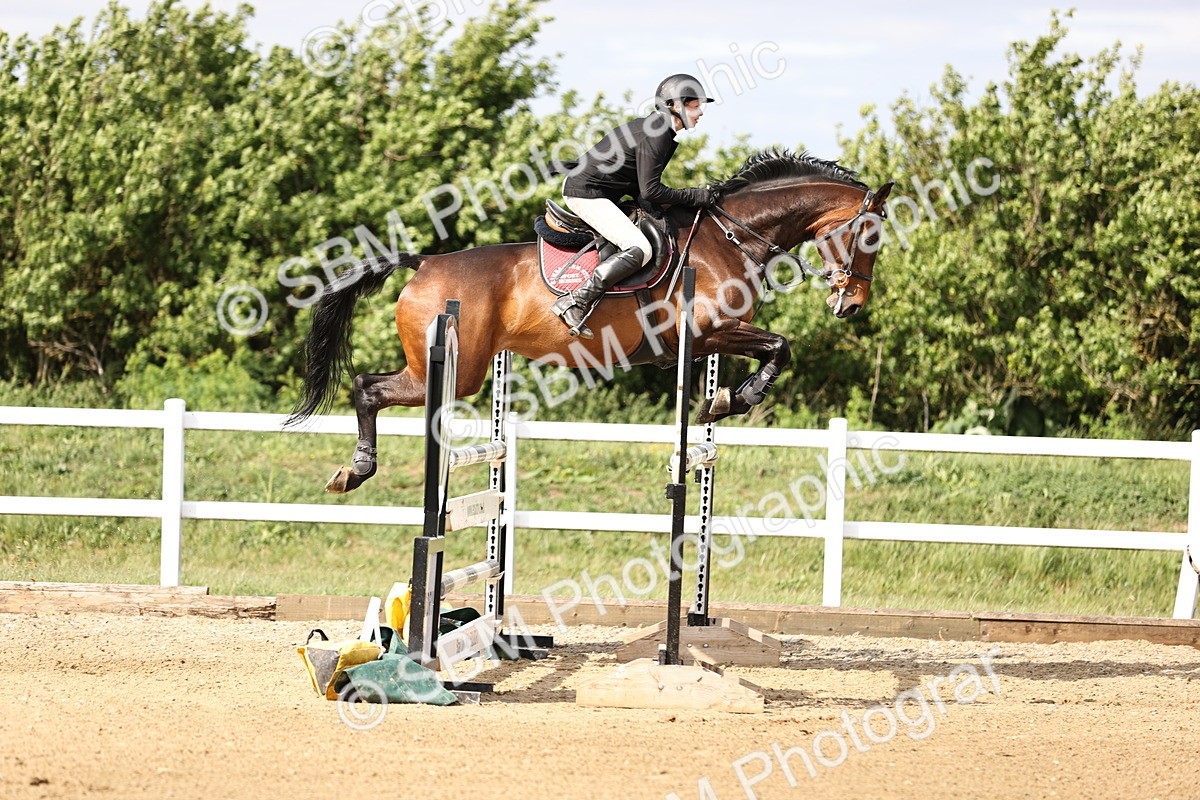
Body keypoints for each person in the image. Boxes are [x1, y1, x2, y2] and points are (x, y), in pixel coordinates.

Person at [551, 73, 717, 338]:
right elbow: (651, 190)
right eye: (695, 106)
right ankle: (576, 300)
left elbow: (640, 187)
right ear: (675, 105)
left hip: (602, 192)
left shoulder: (657, 129)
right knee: (640, 248)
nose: (700, 113)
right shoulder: (657, 133)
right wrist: (695, 196)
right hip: (586, 193)